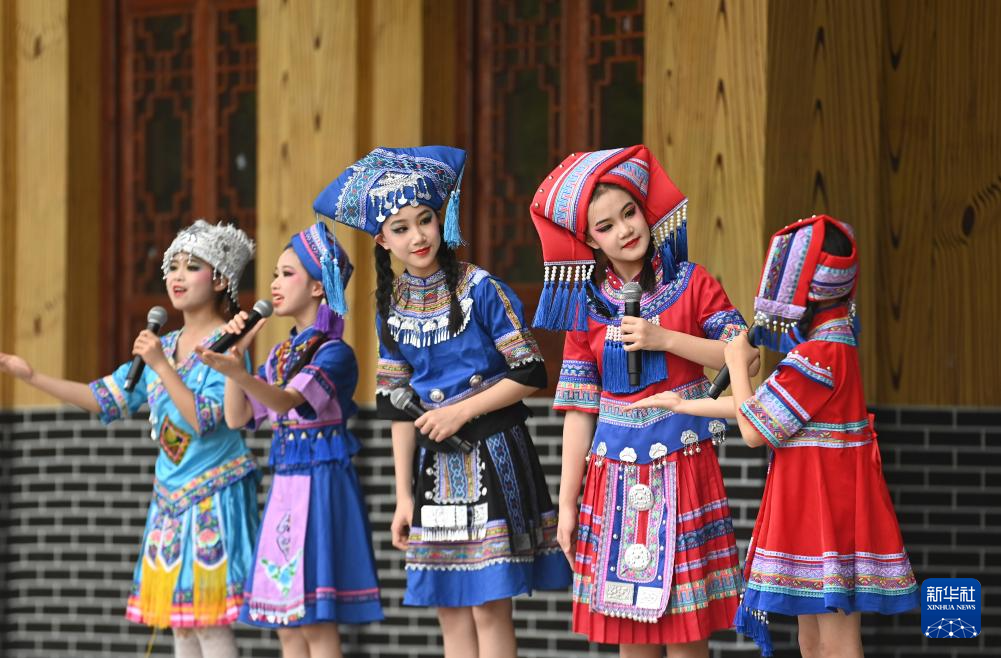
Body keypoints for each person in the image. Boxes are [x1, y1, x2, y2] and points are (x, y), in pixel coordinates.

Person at [313, 145, 571, 658]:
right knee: (450, 606)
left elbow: (531, 372)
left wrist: (461, 410)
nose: (418, 236)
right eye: (401, 228)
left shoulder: (481, 288)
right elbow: (395, 405)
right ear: (382, 240)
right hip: (435, 466)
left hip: (493, 450)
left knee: (489, 606)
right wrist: (402, 496)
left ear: (442, 219)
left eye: (425, 220)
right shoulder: (389, 308)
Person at [629, 215, 919, 657]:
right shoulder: (831, 345)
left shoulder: (817, 356)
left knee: (836, 641)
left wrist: (735, 358)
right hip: (818, 501)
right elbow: (763, 409)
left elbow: (752, 430)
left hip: (824, 506)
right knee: (813, 638)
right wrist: (682, 404)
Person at [0, 220, 261, 658]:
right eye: (172, 267)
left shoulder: (230, 342)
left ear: (219, 280)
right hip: (169, 498)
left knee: (209, 623)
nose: (177, 277)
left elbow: (204, 420)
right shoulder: (165, 343)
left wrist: (160, 367)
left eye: (191, 266)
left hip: (212, 492)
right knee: (181, 627)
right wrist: (32, 376)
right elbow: (107, 398)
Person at [530, 146, 748, 658]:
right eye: (606, 226)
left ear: (645, 211)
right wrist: (567, 504)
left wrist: (664, 339)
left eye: (629, 213)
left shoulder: (692, 283)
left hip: (683, 464)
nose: (625, 230)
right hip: (613, 476)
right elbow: (579, 411)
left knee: (687, 636)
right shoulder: (586, 305)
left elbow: (745, 357)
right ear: (589, 239)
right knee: (630, 633)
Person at [198, 221, 383, 658]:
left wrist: (241, 373)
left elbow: (285, 402)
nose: (274, 284)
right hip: (286, 487)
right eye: (274, 275)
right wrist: (238, 358)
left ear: (319, 287)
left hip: (321, 486)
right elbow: (238, 416)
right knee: (286, 624)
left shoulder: (335, 353)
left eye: (286, 274)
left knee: (314, 621)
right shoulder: (281, 354)